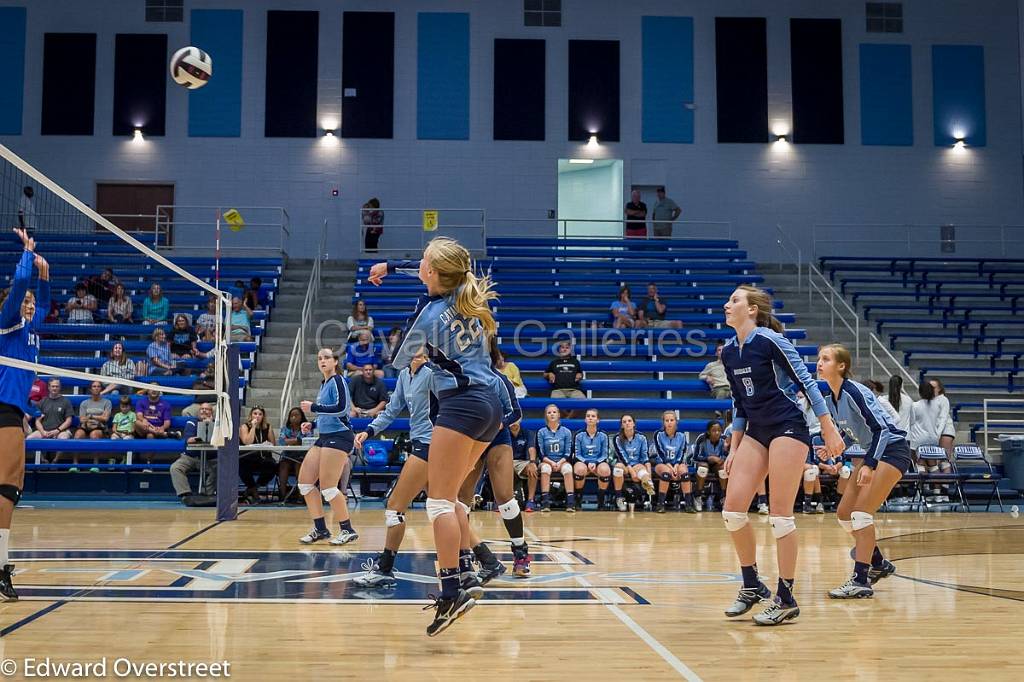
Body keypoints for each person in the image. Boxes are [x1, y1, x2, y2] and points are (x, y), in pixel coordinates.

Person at [366, 236, 505, 636]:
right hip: (488, 404)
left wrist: (425, 343)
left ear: (433, 273)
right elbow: (432, 267)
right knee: (456, 499)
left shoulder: (426, 314)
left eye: (423, 263)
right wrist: (390, 267)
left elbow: (399, 359)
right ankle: (467, 572)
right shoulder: (465, 288)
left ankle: (450, 590)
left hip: (460, 405)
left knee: (439, 504)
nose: (419, 265)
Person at [720, 285, 844, 626]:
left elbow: (806, 382)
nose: (727, 305)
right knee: (732, 511)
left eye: (734, 301)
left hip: (788, 426)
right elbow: (739, 402)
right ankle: (751, 585)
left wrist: (828, 426)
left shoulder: (770, 341)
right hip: (757, 430)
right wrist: (735, 442)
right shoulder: (729, 352)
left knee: (779, 516)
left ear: (752, 310)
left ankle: (786, 597)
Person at [816, 344, 909, 600]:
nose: (819, 363)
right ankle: (878, 562)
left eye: (825, 359)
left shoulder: (855, 391)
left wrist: (869, 464)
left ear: (841, 366)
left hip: (892, 451)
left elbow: (881, 430)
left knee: (860, 514)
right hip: (872, 452)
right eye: (819, 358)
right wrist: (833, 447)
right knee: (845, 514)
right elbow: (852, 432)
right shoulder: (830, 398)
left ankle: (860, 580)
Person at [353, 349, 434, 587]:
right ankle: (481, 559)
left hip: (431, 443)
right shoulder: (403, 376)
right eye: (413, 352)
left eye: (421, 353)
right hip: (419, 441)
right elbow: (391, 410)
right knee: (442, 506)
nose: (416, 356)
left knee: (395, 507)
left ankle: (385, 568)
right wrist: (369, 430)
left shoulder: (432, 375)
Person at [0, 229, 48, 600]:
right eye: (25, 301)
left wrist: (44, 277)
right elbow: (18, 286)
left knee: (9, 489)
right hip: (3, 411)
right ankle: (1, 568)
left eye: (31, 301)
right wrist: (28, 256)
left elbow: (43, 305)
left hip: (14, 413)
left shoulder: (31, 334)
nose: (29, 304)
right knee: (7, 488)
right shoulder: (7, 324)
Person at [457, 350, 529, 579]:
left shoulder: (499, 379)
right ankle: (464, 555)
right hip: (471, 437)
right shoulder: (459, 379)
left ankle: (521, 553)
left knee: (505, 498)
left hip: (497, 438)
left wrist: (499, 424)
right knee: (461, 500)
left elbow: (515, 412)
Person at [298, 349, 359, 546]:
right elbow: (328, 414)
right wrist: (313, 424)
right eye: (319, 358)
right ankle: (321, 529)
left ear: (335, 362)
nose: (322, 361)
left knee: (328, 487)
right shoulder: (324, 384)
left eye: (326, 358)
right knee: (305, 483)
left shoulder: (339, 380)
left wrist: (314, 407)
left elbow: (342, 409)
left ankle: (347, 530)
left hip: (340, 437)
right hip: (324, 437)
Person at [908, 381, 952, 503]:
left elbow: (911, 422)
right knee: (933, 465)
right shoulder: (936, 405)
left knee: (920, 465)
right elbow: (940, 420)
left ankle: (921, 494)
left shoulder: (915, 405)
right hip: (933, 439)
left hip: (918, 440)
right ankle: (938, 493)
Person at [170, 402, 217, 503]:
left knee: (219, 469)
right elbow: (189, 440)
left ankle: (207, 494)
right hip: (190, 457)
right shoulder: (191, 422)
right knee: (175, 468)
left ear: (212, 412)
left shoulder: (217, 424)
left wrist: (209, 425)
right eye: (202, 409)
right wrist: (204, 429)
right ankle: (186, 495)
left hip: (210, 459)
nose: (204, 411)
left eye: (207, 409)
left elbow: (218, 440)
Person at [652, 411, 695, 513]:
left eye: (672, 420)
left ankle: (688, 504)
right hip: (661, 463)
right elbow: (660, 453)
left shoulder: (682, 436)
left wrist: (676, 466)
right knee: (666, 474)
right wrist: (671, 468)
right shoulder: (658, 435)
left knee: (684, 474)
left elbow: (682, 452)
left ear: (676, 422)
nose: (669, 423)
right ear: (663, 423)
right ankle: (660, 504)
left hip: (677, 463)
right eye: (667, 420)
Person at [536, 404, 575, 513]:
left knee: (568, 469)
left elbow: (568, 452)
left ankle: (570, 503)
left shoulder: (566, 432)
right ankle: (545, 502)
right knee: (545, 469)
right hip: (546, 461)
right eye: (549, 413)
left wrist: (560, 462)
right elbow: (541, 453)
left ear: (559, 415)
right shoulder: (541, 432)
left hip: (562, 461)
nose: (552, 414)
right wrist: (552, 462)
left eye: (554, 412)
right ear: (546, 416)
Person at [572, 408, 611, 511]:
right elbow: (577, 453)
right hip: (583, 461)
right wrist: (587, 462)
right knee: (580, 469)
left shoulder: (603, 435)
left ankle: (601, 499)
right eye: (588, 416)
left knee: (605, 470)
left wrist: (596, 462)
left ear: (597, 420)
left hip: (599, 462)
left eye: (593, 416)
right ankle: (578, 499)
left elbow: (605, 454)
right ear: (585, 419)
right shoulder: (579, 435)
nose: (590, 418)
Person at [613, 414, 655, 507]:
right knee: (618, 468)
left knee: (643, 470)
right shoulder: (617, 438)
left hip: (637, 465)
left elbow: (645, 457)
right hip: (624, 465)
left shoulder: (641, 437)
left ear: (634, 424)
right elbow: (622, 457)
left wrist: (649, 474)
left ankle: (648, 485)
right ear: (621, 425)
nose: (627, 423)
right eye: (624, 422)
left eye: (629, 421)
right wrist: (632, 473)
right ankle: (619, 498)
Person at [239, 406, 277, 505]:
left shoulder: (267, 427)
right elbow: (247, 442)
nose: (257, 416)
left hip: (263, 457)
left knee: (272, 465)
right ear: (251, 415)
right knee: (242, 466)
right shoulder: (244, 426)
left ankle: (253, 489)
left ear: (263, 416)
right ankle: (254, 492)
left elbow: (273, 444)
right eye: (255, 414)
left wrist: (267, 444)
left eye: (260, 414)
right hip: (248, 457)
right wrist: (253, 427)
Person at [27, 379, 73, 459]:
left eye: (57, 386)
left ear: (60, 387)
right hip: (44, 430)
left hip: (60, 431)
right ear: (49, 387)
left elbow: (69, 420)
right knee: (29, 439)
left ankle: (56, 460)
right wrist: (43, 432)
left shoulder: (66, 401)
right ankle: (42, 460)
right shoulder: (42, 401)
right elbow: (37, 421)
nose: (54, 388)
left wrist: (57, 430)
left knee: (64, 439)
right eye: (53, 386)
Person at [72, 380, 111, 469]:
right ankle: (75, 463)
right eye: (94, 386)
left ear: (101, 389)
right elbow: (82, 419)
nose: (96, 388)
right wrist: (98, 416)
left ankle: (95, 463)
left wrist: (91, 416)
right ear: (90, 389)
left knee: (94, 435)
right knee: (78, 435)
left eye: (98, 386)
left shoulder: (107, 402)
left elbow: (105, 418)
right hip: (85, 426)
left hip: (99, 427)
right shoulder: (84, 403)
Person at [690, 419, 727, 512]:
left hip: (717, 465)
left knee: (723, 471)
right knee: (703, 469)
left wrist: (722, 459)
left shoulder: (724, 439)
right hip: (703, 462)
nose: (717, 433)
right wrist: (709, 458)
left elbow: (727, 455)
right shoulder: (701, 439)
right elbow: (694, 457)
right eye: (714, 431)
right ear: (708, 432)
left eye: (719, 430)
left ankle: (723, 497)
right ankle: (698, 496)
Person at [277, 407, 312, 503]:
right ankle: (282, 494)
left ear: (301, 417)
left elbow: (307, 441)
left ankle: (301, 495)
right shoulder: (285, 429)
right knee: (283, 465)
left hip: (301, 457)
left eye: (296, 415)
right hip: (287, 456)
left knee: (299, 465)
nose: (293, 417)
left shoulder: (306, 428)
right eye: (291, 415)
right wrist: (297, 440)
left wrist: (290, 441)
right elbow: (281, 441)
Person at [544, 341, 584, 418]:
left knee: (583, 401)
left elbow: (580, 373)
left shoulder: (575, 362)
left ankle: (568, 419)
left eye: (567, 347)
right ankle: (569, 419)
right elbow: (544, 374)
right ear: (559, 350)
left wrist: (580, 375)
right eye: (562, 347)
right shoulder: (554, 362)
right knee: (554, 404)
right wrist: (549, 374)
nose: (564, 349)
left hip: (574, 390)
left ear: (570, 350)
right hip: (558, 390)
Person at [508, 420, 538, 510]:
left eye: (516, 420)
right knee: (504, 469)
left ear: (520, 420)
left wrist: (532, 462)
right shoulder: (504, 434)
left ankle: (530, 501)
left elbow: (531, 448)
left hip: (522, 462)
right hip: (508, 461)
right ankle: (500, 500)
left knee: (532, 470)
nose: (514, 422)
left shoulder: (527, 433)